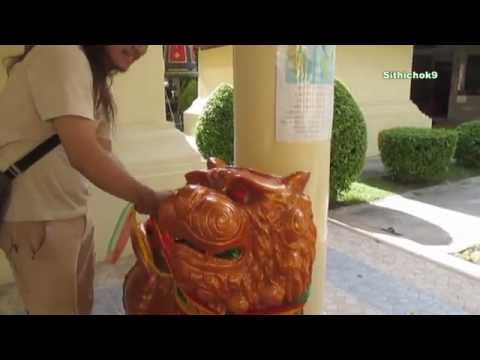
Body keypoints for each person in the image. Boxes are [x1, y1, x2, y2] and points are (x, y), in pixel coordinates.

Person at [0, 45, 172, 315]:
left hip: (73, 213)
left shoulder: (94, 78)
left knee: (81, 307)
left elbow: (103, 154)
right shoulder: (60, 53)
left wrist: (144, 194)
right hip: (40, 217)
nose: (140, 50)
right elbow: (83, 154)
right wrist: (146, 197)